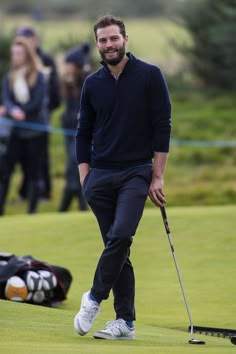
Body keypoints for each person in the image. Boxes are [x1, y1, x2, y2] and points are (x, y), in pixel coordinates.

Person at [74, 15, 171, 340]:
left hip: (135, 172)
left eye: (114, 39)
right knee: (116, 247)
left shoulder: (150, 76)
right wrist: (85, 177)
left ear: (125, 40)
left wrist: (157, 177)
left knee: (120, 238)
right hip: (99, 176)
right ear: (98, 45)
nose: (109, 45)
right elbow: (82, 131)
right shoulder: (93, 83)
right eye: (103, 40)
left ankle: (94, 298)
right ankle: (125, 322)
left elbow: (162, 127)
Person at [0, 37, 48, 215]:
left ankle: (32, 210)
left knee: (33, 174)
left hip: (35, 132)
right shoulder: (10, 76)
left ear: (27, 54)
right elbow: (7, 98)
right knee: (5, 171)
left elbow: (37, 103)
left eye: (19, 53)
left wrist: (23, 112)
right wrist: (12, 110)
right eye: (13, 54)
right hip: (17, 132)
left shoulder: (39, 76)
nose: (15, 57)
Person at [15, 26, 61, 200]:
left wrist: (46, 111)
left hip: (41, 115)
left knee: (41, 156)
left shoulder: (46, 60)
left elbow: (55, 91)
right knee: (24, 155)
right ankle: (26, 192)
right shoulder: (20, 61)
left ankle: (44, 192)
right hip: (22, 117)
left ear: (34, 40)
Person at [58, 44, 90, 212]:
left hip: (81, 133)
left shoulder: (86, 82)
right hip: (69, 131)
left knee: (74, 166)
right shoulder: (69, 83)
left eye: (69, 64)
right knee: (72, 168)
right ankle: (80, 207)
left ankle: (69, 207)